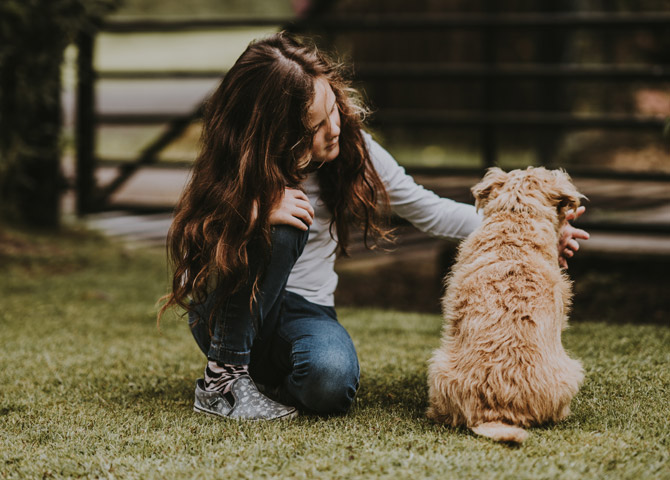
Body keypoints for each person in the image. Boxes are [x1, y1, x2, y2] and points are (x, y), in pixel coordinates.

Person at [159, 32, 589, 421]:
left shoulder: (351, 147)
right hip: (227, 307)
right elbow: (193, 238)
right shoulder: (238, 161)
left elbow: (426, 208)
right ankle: (223, 382)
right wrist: (254, 212)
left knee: (330, 385)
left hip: (305, 309)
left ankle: (265, 384)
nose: (335, 128)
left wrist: (535, 228)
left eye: (333, 110)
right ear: (277, 132)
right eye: (316, 125)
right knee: (286, 222)